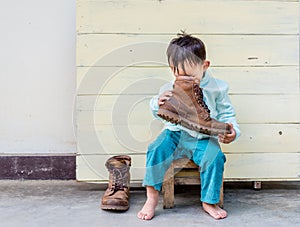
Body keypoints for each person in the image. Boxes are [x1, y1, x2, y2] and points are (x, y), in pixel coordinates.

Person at [137, 32, 241, 220]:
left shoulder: (218, 88)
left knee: (215, 157)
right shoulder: (169, 87)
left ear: (204, 66)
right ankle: (151, 197)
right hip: (175, 134)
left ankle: (209, 201)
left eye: (189, 74)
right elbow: (160, 115)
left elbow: (227, 114)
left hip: (203, 137)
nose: (183, 78)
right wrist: (157, 103)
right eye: (178, 73)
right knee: (155, 149)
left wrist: (232, 131)